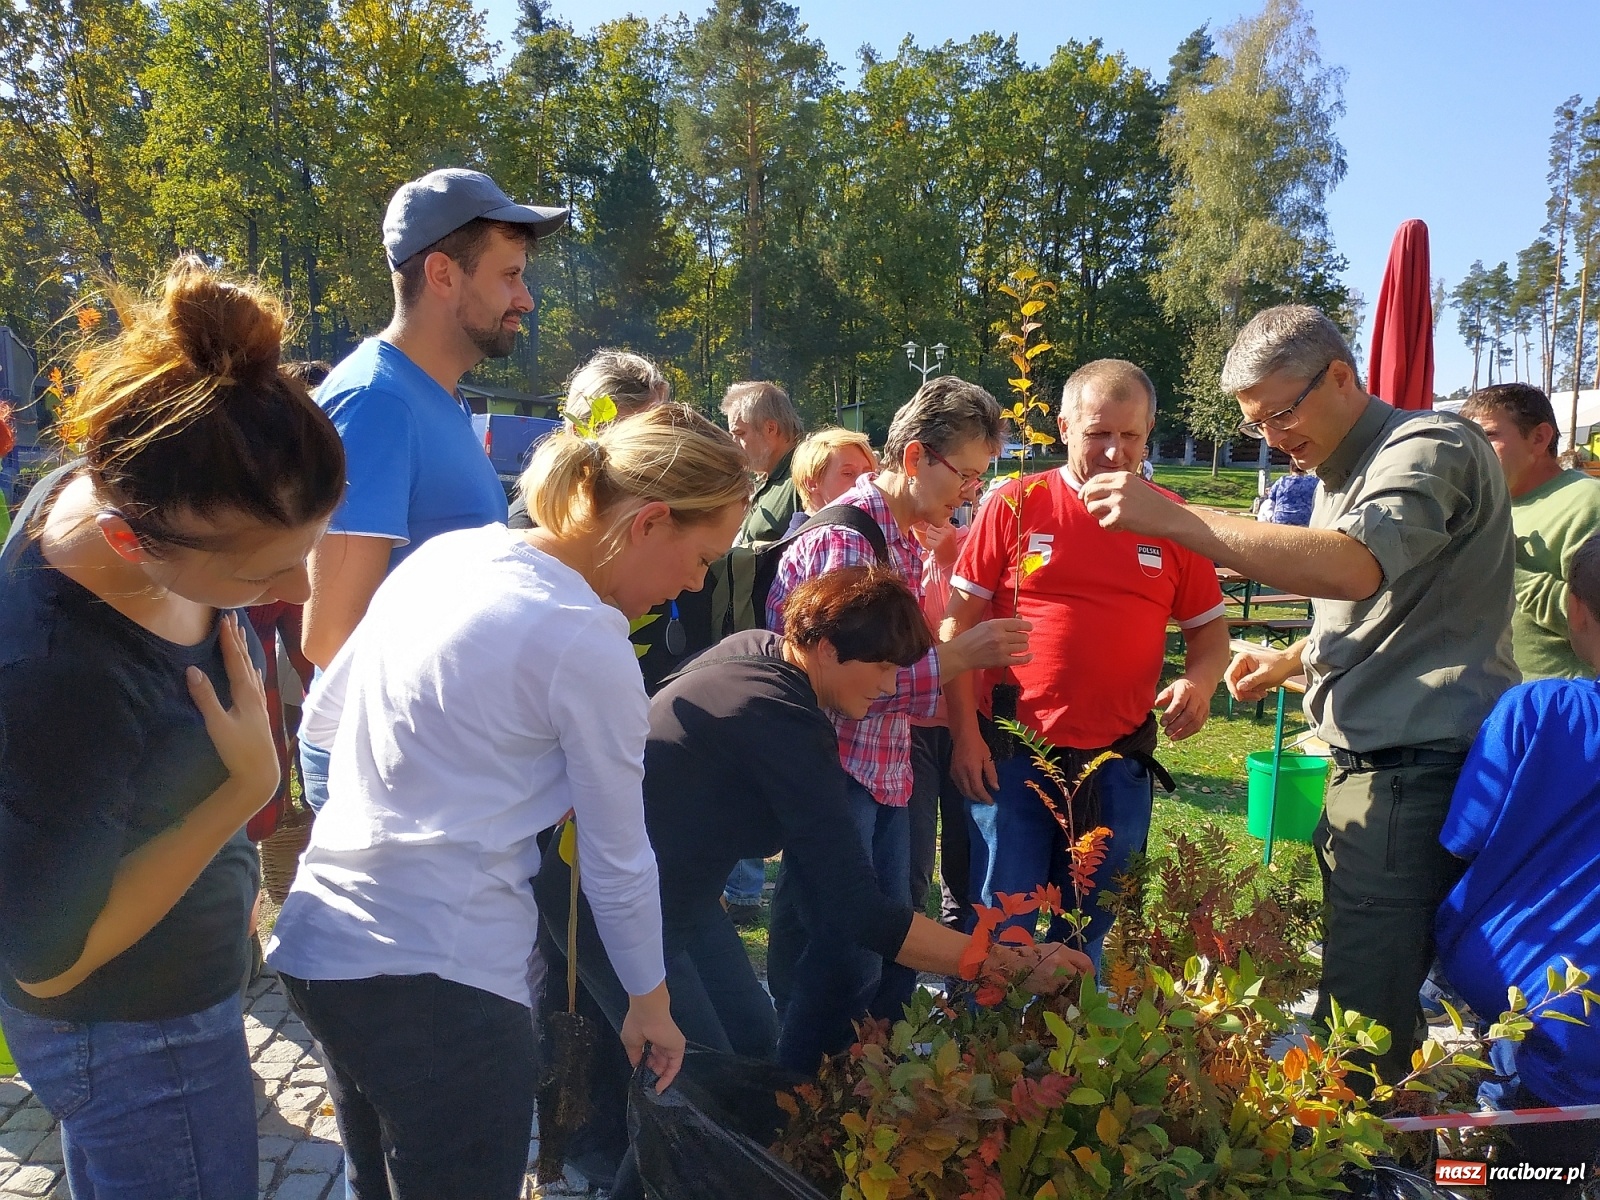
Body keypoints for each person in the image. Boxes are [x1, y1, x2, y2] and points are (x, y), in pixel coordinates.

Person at [267, 403, 748, 1200]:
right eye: (700, 558)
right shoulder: (584, 638)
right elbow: (617, 858)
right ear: (650, 522)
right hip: (442, 984)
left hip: (323, 946)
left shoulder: (450, 555)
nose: (696, 582)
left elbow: (323, 717)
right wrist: (650, 1004)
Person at [1077, 305, 1516, 1088]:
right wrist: (1294, 661)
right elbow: (1390, 614)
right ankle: (1385, 1138)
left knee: (1359, 1010)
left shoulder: (1430, 444)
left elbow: (1353, 567)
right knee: (1366, 989)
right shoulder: (1334, 474)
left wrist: (1175, 517)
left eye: (1280, 413)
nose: (1273, 439)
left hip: (1414, 767)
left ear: (1341, 377)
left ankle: (1352, 1160)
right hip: (1372, 762)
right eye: (1257, 426)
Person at [0, 258, 345, 1200]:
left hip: (177, 1001)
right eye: (262, 575)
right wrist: (241, 791)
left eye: (307, 552)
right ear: (127, 542)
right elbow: (45, 962)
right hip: (129, 1034)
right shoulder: (59, 669)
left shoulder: (148, 478)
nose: (300, 592)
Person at [536, 566, 1086, 1077]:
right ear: (826, 648)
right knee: (701, 1083)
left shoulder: (757, 652)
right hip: (604, 900)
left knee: (752, 1043)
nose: (891, 686)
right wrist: (1002, 964)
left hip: (673, 893)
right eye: (883, 667)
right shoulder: (781, 722)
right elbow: (855, 908)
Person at [763, 375, 1033, 1034]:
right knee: (845, 953)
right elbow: (854, 687)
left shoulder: (902, 534)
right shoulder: (852, 544)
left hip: (881, 766)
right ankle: (803, 1102)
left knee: (882, 945)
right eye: (966, 478)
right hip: (840, 769)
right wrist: (964, 654)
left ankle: (858, 1089)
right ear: (915, 458)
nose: (973, 495)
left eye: (980, 480)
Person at [298, 168, 568, 810]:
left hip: (426, 751)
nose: (525, 298)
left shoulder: (435, 398)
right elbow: (332, 634)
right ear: (443, 274)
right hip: (389, 764)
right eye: (509, 275)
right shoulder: (377, 402)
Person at [945, 359, 1229, 969]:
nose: (1114, 451)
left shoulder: (1171, 519)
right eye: (1099, 432)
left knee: (1094, 931)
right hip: (1013, 757)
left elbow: (1211, 639)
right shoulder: (1016, 504)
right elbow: (956, 628)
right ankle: (989, 1053)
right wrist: (965, 738)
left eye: (1130, 436)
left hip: (1117, 764)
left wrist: (1199, 684)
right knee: (1003, 927)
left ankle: (1075, 1056)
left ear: (1149, 433)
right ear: (1065, 425)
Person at [1435, 532, 1600, 1197]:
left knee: (1520, 1176)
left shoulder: (1539, 710)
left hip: (1542, 1008)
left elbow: (1463, 838)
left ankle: (1442, 1172)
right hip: (1553, 1017)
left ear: (1574, 611)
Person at [1461, 382, 1600, 680]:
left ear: (1539, 438)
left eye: (1488, 436)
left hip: (1558, 712)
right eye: (1467, 438)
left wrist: (1505, 563)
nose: (1472, 449)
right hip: (1492, 710)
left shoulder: (1587, 501)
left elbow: (1593, 617)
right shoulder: (1479, 505)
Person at [507, 349, 672, 530]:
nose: (651, 453)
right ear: (579, 432)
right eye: (631, 438)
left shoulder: (638, 516)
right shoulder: (529, 531)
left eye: (657, 435)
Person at [722, 380, 804, 548]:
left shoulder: (806, 476)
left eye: (739, 433)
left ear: (770, 428)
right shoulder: (772, 477)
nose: (733, 444)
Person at [785, 426, 879, 533]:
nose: (863, 482)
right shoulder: (803, 545)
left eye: (868, 473)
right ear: (812, 483)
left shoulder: (858, 532)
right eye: (848, 473)